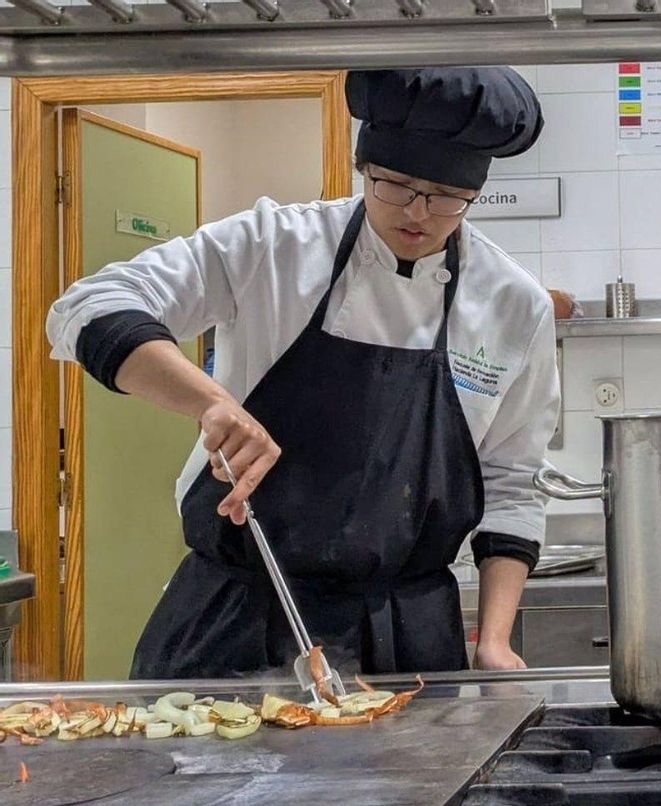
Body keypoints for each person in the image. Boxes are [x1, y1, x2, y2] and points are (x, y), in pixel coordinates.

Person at [46, 67, 560, 677]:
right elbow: (88, 305)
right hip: (235, 616)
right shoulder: (274, 245)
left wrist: (495, 640)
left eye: (447, 196)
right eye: (395, 184)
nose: (418, 212)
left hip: (405, 633)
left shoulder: (511, 303)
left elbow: (511, 481)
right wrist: (209, 400)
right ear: (365, 167)